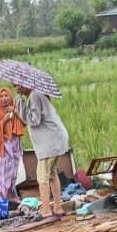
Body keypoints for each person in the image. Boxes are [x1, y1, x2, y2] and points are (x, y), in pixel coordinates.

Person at [15, 84, 70, 217]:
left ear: (26, 84)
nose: (17, 88)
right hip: (55, 140)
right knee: (52, 174)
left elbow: (34, 120)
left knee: (43, 176)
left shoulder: (34, 96)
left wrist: (19, 101)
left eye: (19, 85)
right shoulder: (38, 94)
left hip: (49, 143)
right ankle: (57, 207)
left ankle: (46, 210)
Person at [0, 86, 25, 199]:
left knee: (13, 171)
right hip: (3, 146)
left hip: (14, 144)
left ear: (10, 97)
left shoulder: (14, 110)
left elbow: (24, 123)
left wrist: (14, 112)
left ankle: (9, 194)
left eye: (6, 95)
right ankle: (2, 196)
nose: (4, 98)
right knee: (3, 172)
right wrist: (4, 120)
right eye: (1, 96)